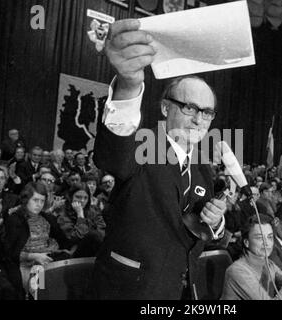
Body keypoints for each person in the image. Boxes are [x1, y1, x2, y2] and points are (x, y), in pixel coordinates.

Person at [91, 18, 226, 300]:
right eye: (190, 107)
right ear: (165, 108)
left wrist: (215, 222)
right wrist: (128, 87)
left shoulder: (202, 166)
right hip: (131, 290)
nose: (199, 119)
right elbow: (114, 156)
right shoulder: (142, 145)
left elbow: (195, 223)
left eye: (207, 112)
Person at [3, 182, 71, 296]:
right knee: (42, 286)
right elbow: (8, 253)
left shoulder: (47, 218)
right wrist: (34, 256)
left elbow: (64, 241)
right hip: (25, 265)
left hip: (47, 261)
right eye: (35, 200)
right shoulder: (15, 220)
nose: (39, 204)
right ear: (26, 199)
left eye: (42, 201)